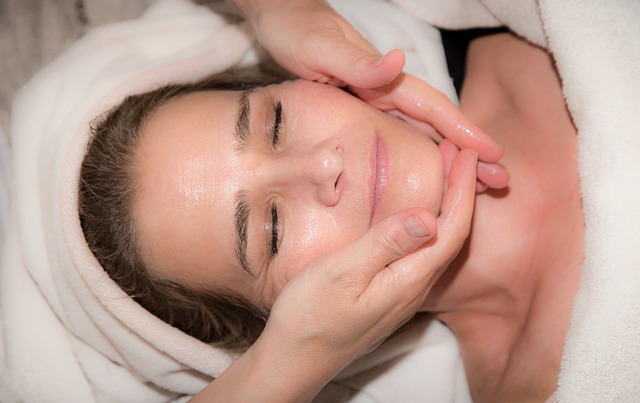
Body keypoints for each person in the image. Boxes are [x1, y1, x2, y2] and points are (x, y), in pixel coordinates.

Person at [78, 8, 584, 397]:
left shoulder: (519, 18)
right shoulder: (546, 389)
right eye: (272, 229)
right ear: (279, 323)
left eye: (274, 124)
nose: (322, 167)